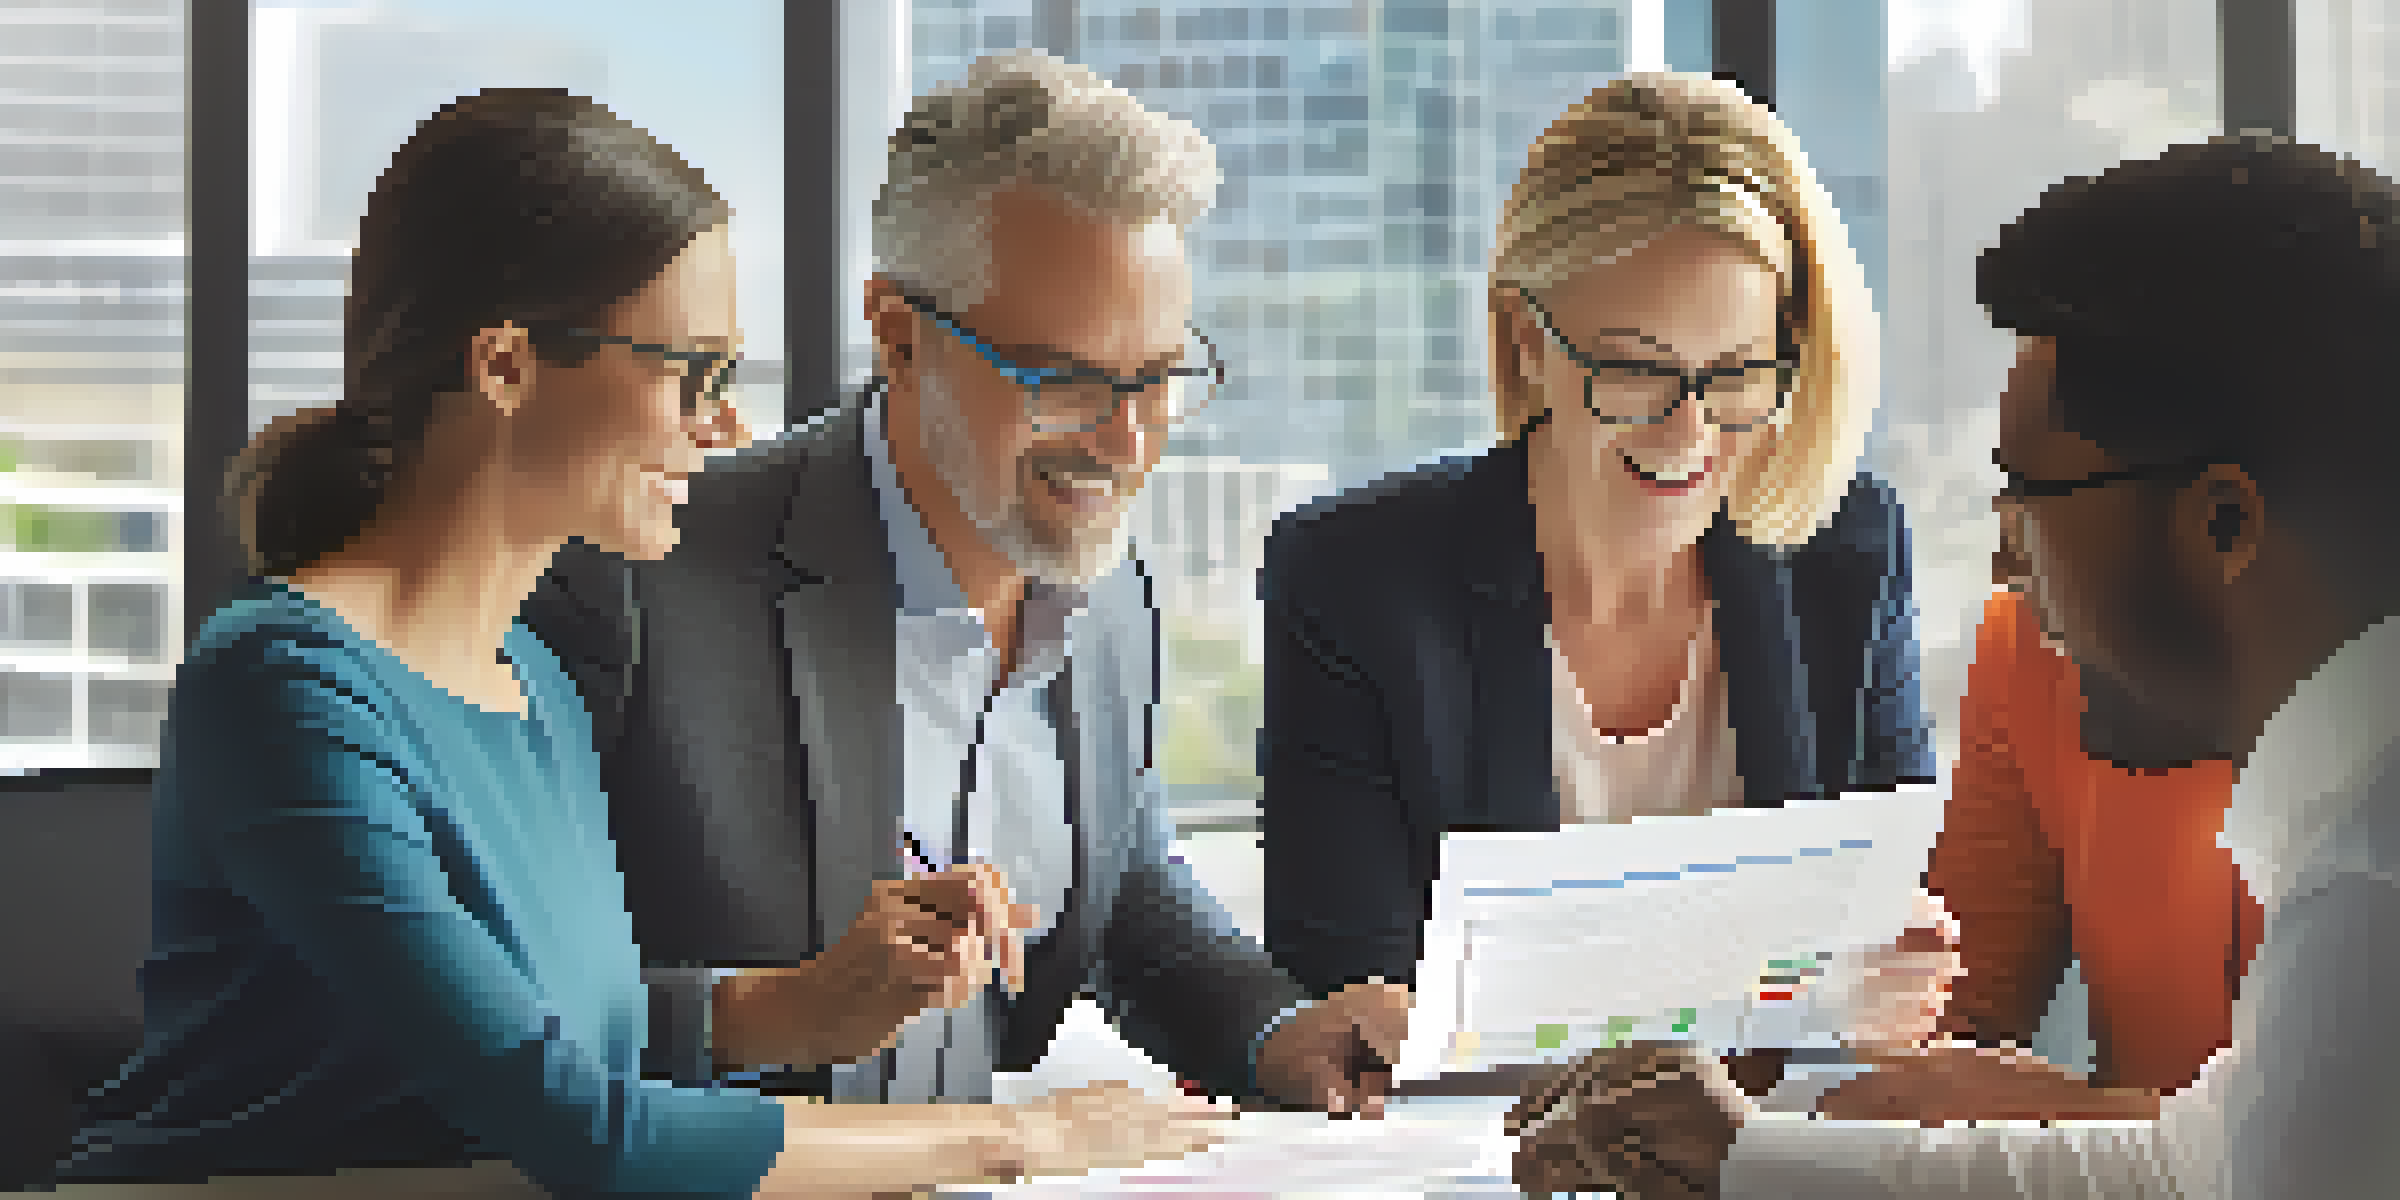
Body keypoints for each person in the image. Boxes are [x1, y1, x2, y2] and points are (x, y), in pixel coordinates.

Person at [49, 89, 1224, 1198]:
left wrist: (803, 1005)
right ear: (505, 364)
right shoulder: (290, 686)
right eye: (690, 375)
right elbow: (582, 1121)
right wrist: (1026, 1138)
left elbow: (579, 1032)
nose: (725, 426)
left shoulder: (535, 687)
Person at [521, 50, 1398, 1126]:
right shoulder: (637, 576)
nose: (1126, 442)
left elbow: (1123, 892)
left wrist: (1278, 1035)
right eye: (1066, 379)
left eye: (1159, 378)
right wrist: (780, 1010)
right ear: (897, 333)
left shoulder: (1110, 592)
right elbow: (495, 1013)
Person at [1585, 133, 2400, 1199]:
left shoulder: (2369, 886)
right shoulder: (2357, 829)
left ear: (2225, 522)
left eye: (2036, 500)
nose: (2010, 561)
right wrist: (1753, 1157)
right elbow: (2205, 1167)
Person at [1256, 72, 1940, 1090]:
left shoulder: (1848, 549)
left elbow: (1877, 938)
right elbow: (1355, 992)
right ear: (1527, 342)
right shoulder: (1356, 580)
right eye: (1635, 369)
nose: (1691, 430)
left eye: (1740, 371)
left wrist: (1896, 982)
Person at [1926, 577, 2261, 1093]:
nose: (2004, 558)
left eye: (2041, 496)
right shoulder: (2028, 625)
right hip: (2134, 1158)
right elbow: (1959, 1005)